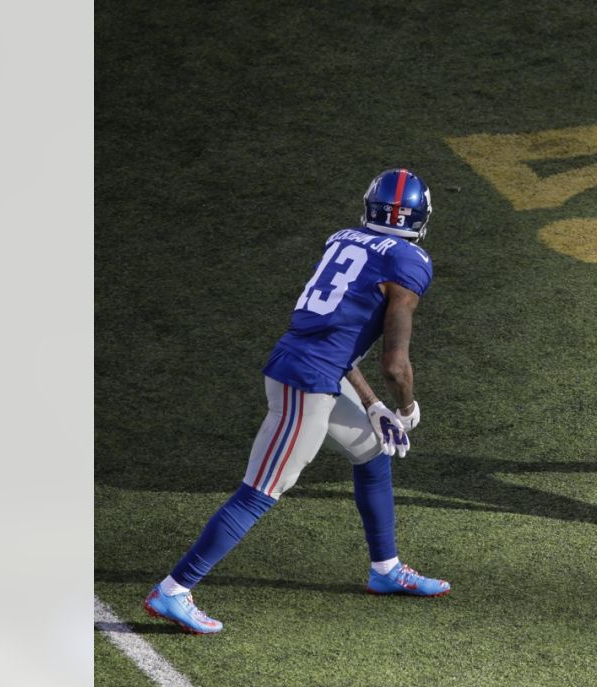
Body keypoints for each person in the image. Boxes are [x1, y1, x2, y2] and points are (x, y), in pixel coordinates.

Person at [143, 168, 451, 634]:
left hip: (314, 365)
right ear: (421, 217)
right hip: (306, 381)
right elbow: (395, 365)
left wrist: (370, 405)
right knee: (260, 492)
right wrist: (406, 408)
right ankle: (173, 590)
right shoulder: (409, 263)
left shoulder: (344, 240)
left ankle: (385, 570)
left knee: (371, 450)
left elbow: (337, 337)